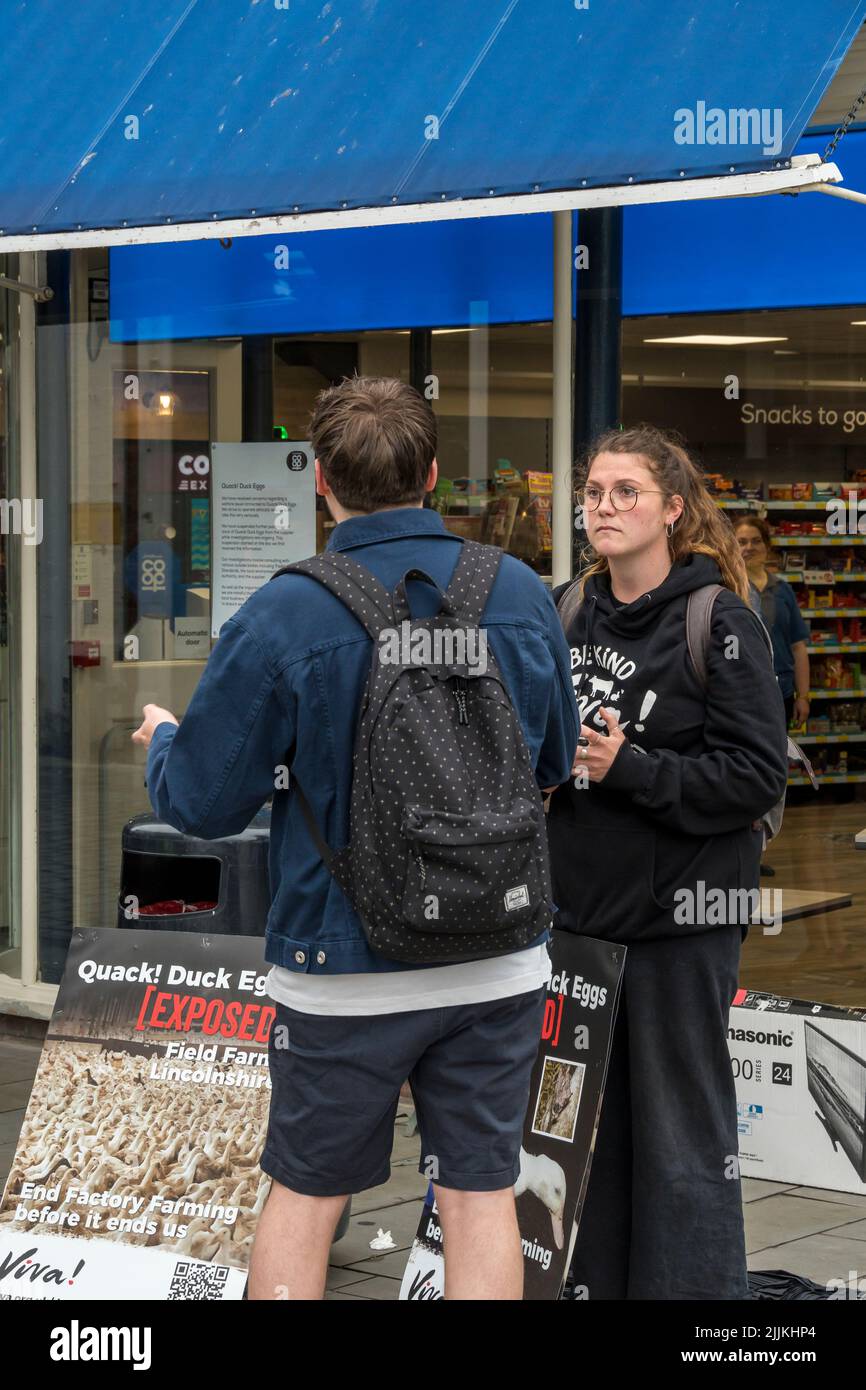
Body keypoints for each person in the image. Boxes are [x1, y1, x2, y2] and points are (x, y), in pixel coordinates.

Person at [131, 376, 579, 1301]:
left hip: (343, 965)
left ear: (322, 482)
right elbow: (555, 759)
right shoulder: (522, 593)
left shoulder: (288, 612)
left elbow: (204, 806)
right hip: (498, 956)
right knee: (480, 1194)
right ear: (435, 473)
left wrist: (164, 742)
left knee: (305, 1194)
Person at [547, 424, 789, 1301]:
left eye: (626, 493)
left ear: (673, 511)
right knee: (590, 1136)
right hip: (579, 925)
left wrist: (632, 768)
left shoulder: (718, 620)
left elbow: (757, 775)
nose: (604, 507)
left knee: (684, 1136)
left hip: (683, 926)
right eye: (595, 492)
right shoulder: (568, 607)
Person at [734, 513, 810, 729]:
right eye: (742, 542)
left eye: (756, 541)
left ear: (767, 545)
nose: (750, 547)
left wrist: (803, 696)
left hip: (781, 692)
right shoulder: (726, 588)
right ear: (732, 547)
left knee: (777, 759)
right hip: (739, 694)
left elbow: (798, 647)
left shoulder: (783, 590)